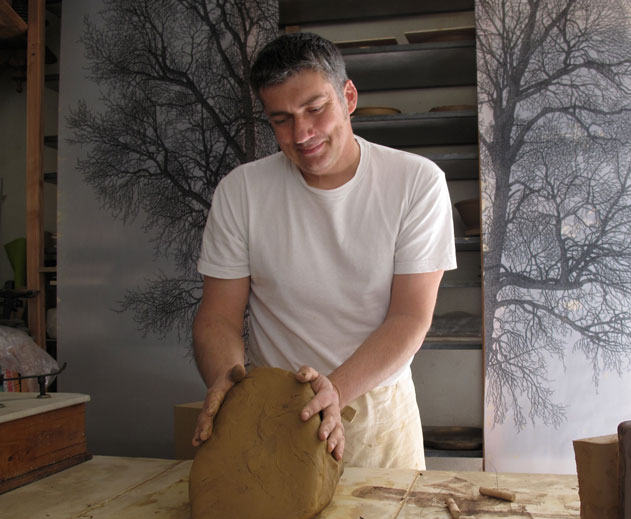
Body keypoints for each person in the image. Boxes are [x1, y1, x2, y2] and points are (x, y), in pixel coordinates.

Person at [191, 32, 456, 469]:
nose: (302, 134)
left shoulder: (415, 183)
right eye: (282, 119)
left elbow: (410, 317)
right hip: (275, 413)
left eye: (316, 109)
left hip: (378, 417)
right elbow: (218, 316)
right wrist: (226, 380)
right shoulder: (242, 191)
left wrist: (334, 388)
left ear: (348, 96)